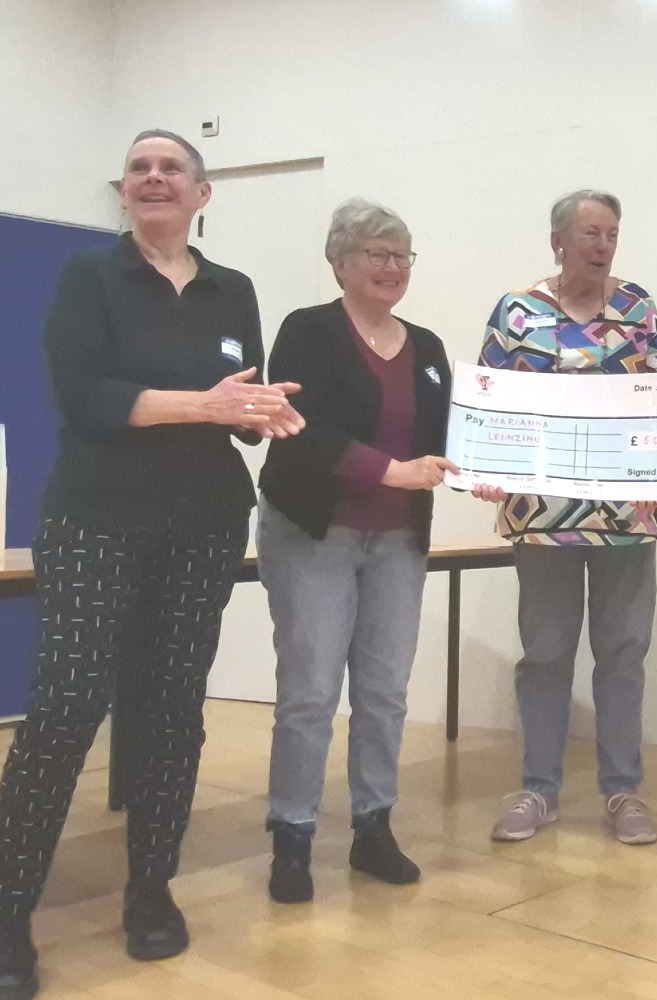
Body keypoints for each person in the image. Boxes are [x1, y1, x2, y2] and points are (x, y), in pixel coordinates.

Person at [0, 130, 304, 998]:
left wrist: (258, 413)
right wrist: (202, 405)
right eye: (140, 168)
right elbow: (84, 397)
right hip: (97, 519)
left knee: (173, 711)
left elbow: (238, 404)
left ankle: (151, 895)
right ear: (125, 194)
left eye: (173, 167)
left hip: (202, 524)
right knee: (63, 711)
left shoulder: (231, 289)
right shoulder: (89, 278)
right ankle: (10, 913)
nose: (156, 176)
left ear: (203, 194)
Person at [257, 198, 454, 902]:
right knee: (310, 693)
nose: (392, 267)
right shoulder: (307, 331)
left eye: (402, 255)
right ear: (339, 262)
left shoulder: (427, 348)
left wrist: (499, 473)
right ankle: (293, 834)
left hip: (398, 540)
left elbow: (449, 439)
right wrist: (389, 470)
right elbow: (295, 427)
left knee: (384, 693)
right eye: (377, 253)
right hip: (316, 534)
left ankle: (373, 827)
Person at [475, 190, 657, 846]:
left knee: (623, 650)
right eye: (590, 233)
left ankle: (622, 792)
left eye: (611, 233)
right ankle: (539, 789)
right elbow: (489, 400)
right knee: (546, 651)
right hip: (543, 517)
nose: (602, 245)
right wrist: (489, 466)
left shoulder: (637, 308)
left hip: (625, 512)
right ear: (558, 240)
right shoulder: (517, 312)